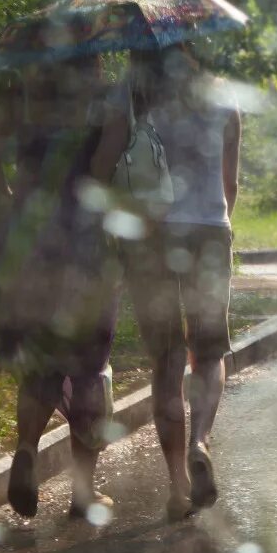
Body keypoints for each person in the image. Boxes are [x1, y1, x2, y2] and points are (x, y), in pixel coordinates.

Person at [94, 44, 240, 519]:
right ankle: (200, 441)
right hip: (209, 231)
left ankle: (178, 486)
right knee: (209, 351)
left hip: (152, 237)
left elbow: (102, 171)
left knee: (166, 361)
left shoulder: (133, 94)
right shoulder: (224, 97)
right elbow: (229, 185)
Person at [0, 56, 125, 520]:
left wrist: (11, 203)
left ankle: (26, 449)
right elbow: (102, 175)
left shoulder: (24, 102)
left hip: (30, 251)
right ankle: (83, 493)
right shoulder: (101, 105)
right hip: (82, 252)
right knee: (88, 368)